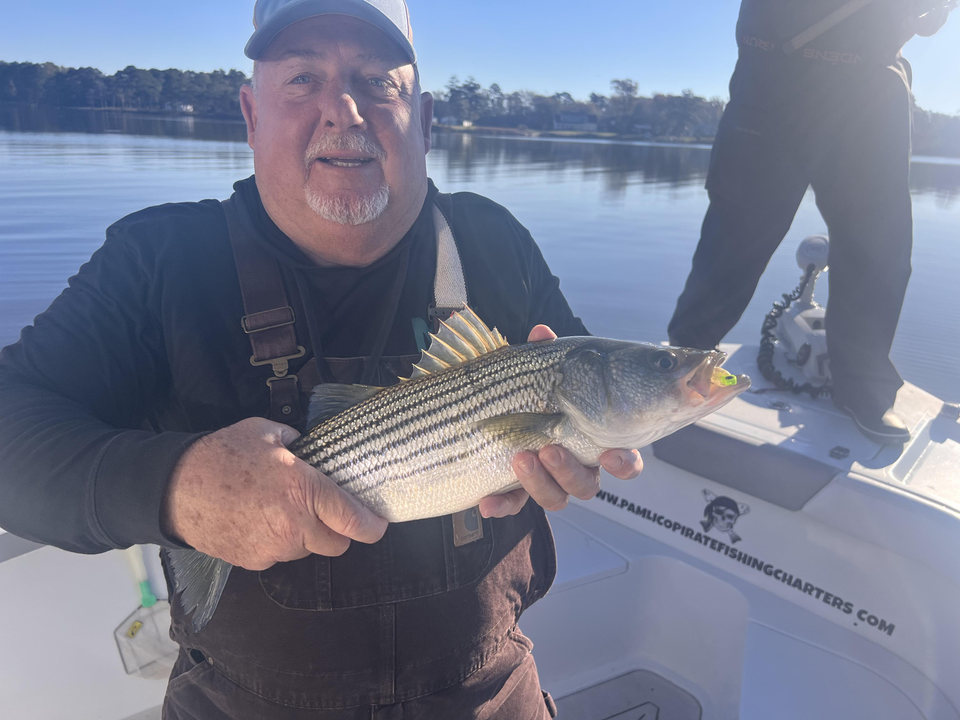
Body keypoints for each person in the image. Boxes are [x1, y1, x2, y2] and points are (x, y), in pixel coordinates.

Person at [0, 1, 644, 718]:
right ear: (251, 115)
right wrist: (177, 490)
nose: (344, 111)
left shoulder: (494, 242)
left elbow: (591, 399)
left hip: (489, 690)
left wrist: (576, 457)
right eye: (303, 79)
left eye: (377, 81)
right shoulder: (160, 261)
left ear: (425, 120)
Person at [667, 0, 954, 445]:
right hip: (774, 70)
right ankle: (682, 366)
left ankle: (862, 387)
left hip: (872, 86)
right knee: (734, 237)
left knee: (878, 248)